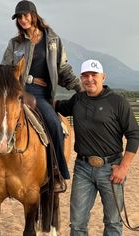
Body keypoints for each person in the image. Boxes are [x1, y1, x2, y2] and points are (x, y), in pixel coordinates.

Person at [1, 0, 82, 191]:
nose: (22, 20)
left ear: (34, 15)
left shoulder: (52, 41)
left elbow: (62, 69)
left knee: (54, 124)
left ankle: (57, 172)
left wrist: (80, 88)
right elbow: (4, 70)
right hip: (17, 92)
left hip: (40, 94)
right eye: (19, 17)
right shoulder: (15, 44)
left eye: (25, 15)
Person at [55, 59, 139, 235]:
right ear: (81, 78)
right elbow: (56, 106)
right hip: (83, 169)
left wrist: (123, 167)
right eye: (85, 76)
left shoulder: (118, 102)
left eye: (94, 75)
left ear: (103, 77)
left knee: (113, 222)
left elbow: (133, 135)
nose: (90, 79)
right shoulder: (77, 99)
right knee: (77, 223)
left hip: (112, 169)